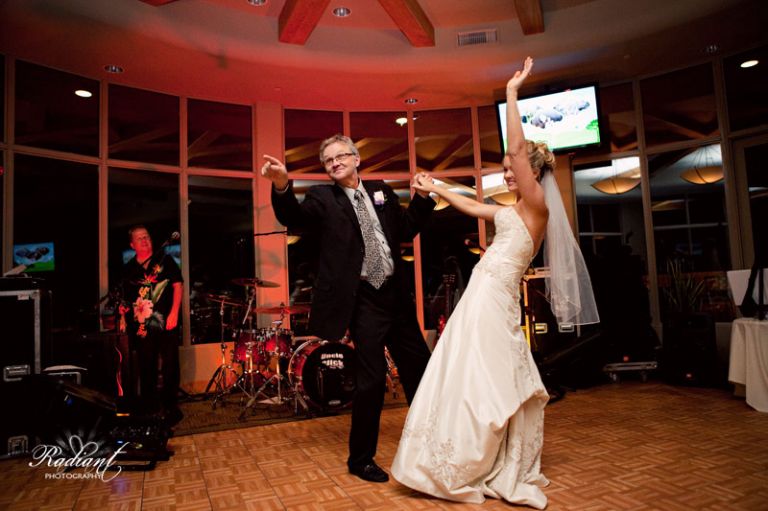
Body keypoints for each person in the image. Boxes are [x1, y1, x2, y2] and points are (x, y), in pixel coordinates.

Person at [391, 57, 599, 508]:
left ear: (533, 173)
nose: (507, 173)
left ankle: (477, 455)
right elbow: (472, 207)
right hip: (479, 296)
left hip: (494, 298)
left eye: (512, 168)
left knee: (487, 375)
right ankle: (451, 454)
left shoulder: (537, 206)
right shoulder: (511, 210)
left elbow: (519, 152)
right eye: (505, 169)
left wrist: (511, 93)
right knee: (466, 370)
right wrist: (436, 187)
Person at [261, 135, 435, 483]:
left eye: (341, 156)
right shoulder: (322, 198)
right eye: (328, 161)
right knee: (371, 381)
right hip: (363, 299)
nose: (335, 163)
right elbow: (293, 217)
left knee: (421, 371)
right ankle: (360, 459)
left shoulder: (380, 191)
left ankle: (432, 444)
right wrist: (281, 184)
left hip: (396, 296)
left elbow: (405, 228)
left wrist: (423, 198)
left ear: (356, 159)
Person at [120, 225, 184, 425]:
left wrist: (174, 312)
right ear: (132, 245)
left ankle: (170, 406)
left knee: (170, 364)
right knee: (146, 365)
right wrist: (122, 315)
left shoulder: (165, 260)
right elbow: (125, 298)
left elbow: (178, 285)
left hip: (166, 321)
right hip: (142, 326)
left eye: (146, 236)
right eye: (139, 238)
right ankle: (150, 406)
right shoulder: (129, 269)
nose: (144, 240)